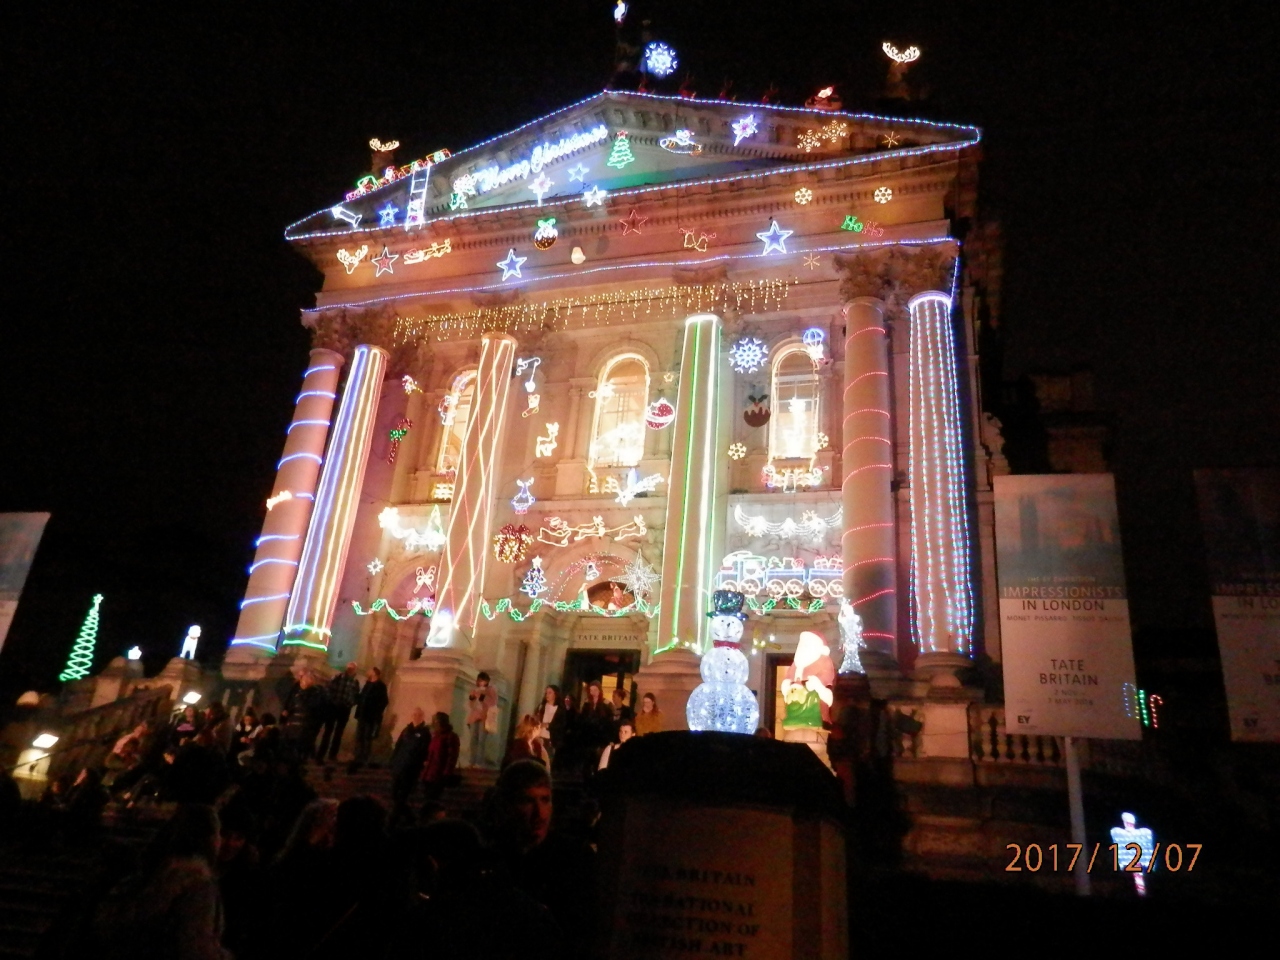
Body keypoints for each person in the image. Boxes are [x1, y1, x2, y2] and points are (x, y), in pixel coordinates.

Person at [93, 804, 232, 960]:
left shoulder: (154, 870)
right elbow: (196, 947)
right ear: (210, 838)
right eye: (219, 833)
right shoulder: (197, 884)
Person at [490, 760, 596, 956]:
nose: (540, 813)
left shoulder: (574, 857)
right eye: (527, 801)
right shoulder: (490, 858)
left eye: (545, 800)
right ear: (507, 805)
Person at [390, 708, 431, 826]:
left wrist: (419, 763)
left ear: (422, 717)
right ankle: (405, 815)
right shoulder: (406, 730)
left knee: (403, 793)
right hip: (399, 766)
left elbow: (424, 750)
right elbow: (398, 746)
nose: (416, 717)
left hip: (411, 768)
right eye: (414, 714)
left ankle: (397, 817)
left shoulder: (424, 733)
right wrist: (393, 760)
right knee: (394, 792)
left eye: (418, 715)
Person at [316, 661, 360, 763]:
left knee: (338, 733)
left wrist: (350, 703)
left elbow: (356, 695)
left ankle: (332, 755)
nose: (350, 670)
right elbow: (329, 689)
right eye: (349, 668)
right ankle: (321, 755)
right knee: (328, 731)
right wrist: (332, 700)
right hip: (333, 707)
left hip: (345, 709)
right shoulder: (337, 678)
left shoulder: (355, 682)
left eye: (352, 669)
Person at [281, 670, 328, 762]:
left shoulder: (315, 693)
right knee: (291, 744)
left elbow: (311, 707)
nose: (302, 683)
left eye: (305, 680)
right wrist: (286, 711)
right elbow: (290, 703)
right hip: (294, 723)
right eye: (302, 680)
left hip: (305, 724)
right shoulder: (296, 691)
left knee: (301, 745)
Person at [352, 666, 388, 768]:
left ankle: (364, 758)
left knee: (367, 738)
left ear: (375, 673)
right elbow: (362, 697)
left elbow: (384, 701)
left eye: (370, 671)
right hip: (362, 715)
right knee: (359, 737)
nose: (368, 672)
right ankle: (357, 757)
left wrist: (375, 710)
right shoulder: (367, 684)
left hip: (370, 717)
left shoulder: (381, 686)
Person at [421, 712, 460, 806]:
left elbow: (452, 756)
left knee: (432, 799)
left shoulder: (450, 736)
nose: (433, 723)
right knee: (427, 798)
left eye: (435, 721)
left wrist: (446, 773)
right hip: (429, 773)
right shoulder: (436, 736)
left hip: (438, 774)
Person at [578, 681, 614, 774]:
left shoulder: (606, 704)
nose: (593, 692)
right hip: (588, 738)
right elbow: (582, 720)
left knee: (598, 761)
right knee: (586, 762)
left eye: (595, 690)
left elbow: (609, 723)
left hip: (600, 738)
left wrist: (609, 738)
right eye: (591, 690)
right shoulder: (587, 704)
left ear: (599, 690)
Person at [466, 671, 499, 767]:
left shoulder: (491, 690)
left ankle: (479, 762)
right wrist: (472, 698)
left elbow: (492, 703)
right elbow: (471, 705)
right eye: (479, 680)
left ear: (487, 681)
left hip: (485, 718)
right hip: (474, 717)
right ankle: (471, 761)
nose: (480, 682)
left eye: (482, 680)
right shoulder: (474, 690)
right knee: (473, 740)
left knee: (481, 740)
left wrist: (481, 696)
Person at [535, 685, 565, 764]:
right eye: (546, 693)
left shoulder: (560, 710)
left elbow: (561, 725)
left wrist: (548, 725)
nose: (547, 695)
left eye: (549, 693)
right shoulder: (542, 707)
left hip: (551, 739)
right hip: (540, 736)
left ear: (555, 694)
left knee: (547, 760)